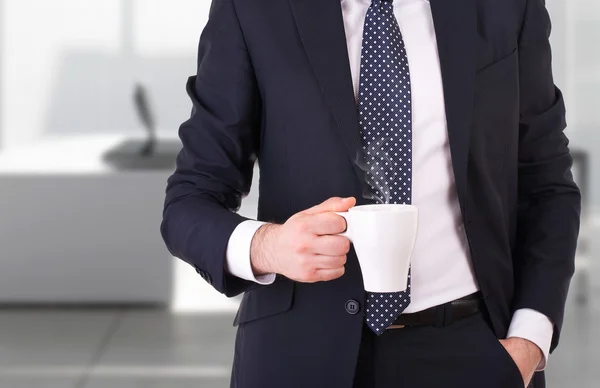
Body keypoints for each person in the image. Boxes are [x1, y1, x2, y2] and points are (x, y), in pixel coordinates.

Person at [160, 0, 581, 387]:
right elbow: (190, 200)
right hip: (298, 354)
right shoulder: (254, 10)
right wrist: (268, 246)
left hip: (473, 349)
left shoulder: (506, 7)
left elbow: (547, 184)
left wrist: (530, 339)